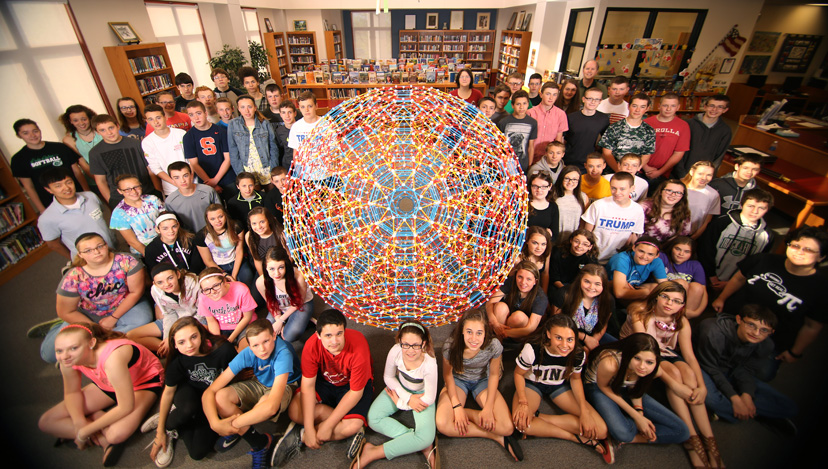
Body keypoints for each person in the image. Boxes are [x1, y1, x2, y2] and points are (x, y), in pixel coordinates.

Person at [620, 282, 725, 468]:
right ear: (656, 296)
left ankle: (710, 442)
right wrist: (675, 385)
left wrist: (701, 386)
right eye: (666, 297)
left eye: (677, 301)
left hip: (665, 354)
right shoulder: (640, 312)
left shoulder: (681, 321)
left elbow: (690, 356)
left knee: (688, 373)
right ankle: (692, 440)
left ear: (682, 305)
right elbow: (647, 353)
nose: (670, 303)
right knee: (676, 374)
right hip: (641, 355)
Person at [38, 323, 163, 467]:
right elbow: (72, 392)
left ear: (91, 343)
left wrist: (84, 432)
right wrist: (79, 423)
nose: (65, 356)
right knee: (47, 422)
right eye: (59, 351)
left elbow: (125, 407)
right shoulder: (66, 361)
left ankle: (98, 426)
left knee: (115, 435)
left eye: (73, 348)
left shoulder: (112, 358)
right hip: (108, 385)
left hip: (143, 384)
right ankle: (101, 436)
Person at [712, 226, 828, 380]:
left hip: (770, 340)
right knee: (710, 357)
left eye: (808, 250)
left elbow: (812, 326)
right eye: (795, 245)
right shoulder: (764, 259)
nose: (799, 252)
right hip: (735, 322)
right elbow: (739, 278)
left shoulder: (822, 288)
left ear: (821, 257)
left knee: (760, 376)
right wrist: (721, 298)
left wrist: (795, 352)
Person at [273, 309, 373, 467]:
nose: (334, 341)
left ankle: (301, 436)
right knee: (294, 411)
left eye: (339, 334)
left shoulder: (358, 347)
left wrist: (326, 426)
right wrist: (309, 426)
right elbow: (308, 385)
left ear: (344, 331)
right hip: (326, 380)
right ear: (318, 335)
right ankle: (342, 428)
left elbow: (355, 393)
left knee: (352, 426)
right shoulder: (311, 345)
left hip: (352, 387)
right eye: (328, 336)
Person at [512, 315, 613, 463]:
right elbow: (518, 374)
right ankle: (574, 437)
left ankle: (540, 418)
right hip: (532, 384)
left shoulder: (579, 354)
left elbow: (575, 378)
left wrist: (584, 411)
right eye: (558, 338)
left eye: (570, 340)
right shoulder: (532, 348)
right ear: (548, 334)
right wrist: (523, 402)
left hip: (558, 386)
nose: (565, 345)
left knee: (601, 430)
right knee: (521, 425)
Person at [39, 233, 153, 363]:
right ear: (80, 254)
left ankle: (97, 347)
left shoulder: (127, 261)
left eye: (100, 246)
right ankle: (59, 327)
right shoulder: (73, 277)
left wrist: (113, 318)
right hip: (90, 314)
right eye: (88, 250)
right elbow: (66, 311)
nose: (96, 252)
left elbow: (135, 292)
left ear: (106, 245)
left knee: (143, 321)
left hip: (124, 305)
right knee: (49, 355)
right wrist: (95, 329)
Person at [202, 318, 300, 468]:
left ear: (274, 335)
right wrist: (215, 424)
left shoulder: (283, 353)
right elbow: (210, 391)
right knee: (220, 397)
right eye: (255, 345)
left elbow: (272, 406)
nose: (262, 349)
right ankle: (259, 442)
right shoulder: (248, 353)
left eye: (266, 341)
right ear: (249, 345)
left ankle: (238, 429)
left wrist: (230, 424)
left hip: (285, 385)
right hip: (259, 382)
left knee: (265, 405)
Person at [144, 317, 237, 466]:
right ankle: (169, 426)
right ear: (174, 344)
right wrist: (160, 431)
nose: (189, 345)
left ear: (201, 333)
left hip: (212, 397)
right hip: (188, 392)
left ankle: (176, 419)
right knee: (188, 408)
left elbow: (236, 376)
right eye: (181, 342)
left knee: (197, 453)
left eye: (193, 337)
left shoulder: (223, 349)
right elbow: (168, 393)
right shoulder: (178, 360)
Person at [434, 309, 522, 461]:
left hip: (483, 381)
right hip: (458, 381)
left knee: (507, 427)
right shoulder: (451, 345)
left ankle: (467, 414)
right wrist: (456, 406)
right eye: (469, 332)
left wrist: (487, 409)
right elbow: (447, 375)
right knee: (442, 424)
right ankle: (495, 437)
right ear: (462, 330)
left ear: (485, 332)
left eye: (479, 333)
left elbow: (494, 375)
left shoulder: (493, 345)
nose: (474, 338)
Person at [583, 334, 690, 454]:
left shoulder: (652, 368)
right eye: (637, 358)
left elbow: (636, 390)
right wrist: (637, 416)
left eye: (649, 362)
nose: (642, 367)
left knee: (682, 431)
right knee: (623, 432)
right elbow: (604, 387)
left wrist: (640, 413)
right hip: (600, 387)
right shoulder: (610, 363)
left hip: (627, 389)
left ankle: (627, 439)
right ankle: (621, 434)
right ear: (628, 355)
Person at [697, 305, 798, 431]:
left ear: (771, 332)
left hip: (731, 372)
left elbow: (746, 370)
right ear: (739, 320)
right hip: (704, 368)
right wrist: (734, 398)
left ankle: (733, 411)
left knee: (790, 408)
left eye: (764, 330)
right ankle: (740, 412)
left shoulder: (766, 345)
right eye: (751, 325)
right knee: (710, 398)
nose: (756, 333)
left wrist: (747, 395)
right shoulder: (713, 332)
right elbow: (710, 367)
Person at [354, 321, 439, 468]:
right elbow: (388, 377)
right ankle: (419, 444)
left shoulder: (429, 362)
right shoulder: (395, 351)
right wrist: (407, 398)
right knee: (373, 418)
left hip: (421, 395)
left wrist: (403, 404)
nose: (410, 350)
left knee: (426, 437)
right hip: (399, 387)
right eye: (405, 344)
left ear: (423, 344)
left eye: (416, 345)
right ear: (400, 341)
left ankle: (374, 452)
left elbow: (429, 398)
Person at [700, 188, 774, 291]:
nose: (755, 211)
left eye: (761, 208)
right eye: (750, 206)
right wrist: (712, 276)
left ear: (767, 210)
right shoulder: (722, 223)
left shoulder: (767, 235)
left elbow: (757, 263)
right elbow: (706, 250)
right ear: (742, 204)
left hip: (736, 284)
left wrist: (731, 283)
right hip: (707, 277)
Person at [11, 118, 88, 212]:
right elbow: (29, 187)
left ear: (39, 130)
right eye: (25, 133)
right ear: (19, 135)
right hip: (51, 203)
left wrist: (87, 193)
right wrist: (41, 209)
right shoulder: (18, 159)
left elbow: (77, 172)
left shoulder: (60, 147)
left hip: (77, 195)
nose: (32, 135)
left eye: (35, 131)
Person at [37, 167, 114, 260]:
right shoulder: (47, 218)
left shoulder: (90, 196)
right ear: (48, 189)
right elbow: (53, 244)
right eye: (58, 186)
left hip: (111, 249)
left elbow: (101, 215)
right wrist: (77, 260)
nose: (66, 188)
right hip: (88, 262)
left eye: (69, 182)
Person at [126, 263, 200, 356]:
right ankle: (172, 349)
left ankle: (179, 349)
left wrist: (180, 331)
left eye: (170, 278)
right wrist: (167, 337)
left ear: (177, 274)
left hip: (196, 320)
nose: (167, 284)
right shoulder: (155, 290)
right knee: (131, 335)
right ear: (155, 283)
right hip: (175, 319)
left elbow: (202, 312)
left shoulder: (194, 284)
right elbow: (169, 314)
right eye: (160, 282)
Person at [89, 114, 158, 209]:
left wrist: (157, 190)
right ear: (97, 132)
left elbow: (149, 169)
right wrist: (111, 200)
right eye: (103, 130)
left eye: (111, 127)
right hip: (120, 199)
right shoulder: (95, 152)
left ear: (117, 126)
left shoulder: (136, 144)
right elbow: (101, 181)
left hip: (146, 192)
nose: (109, 132)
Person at [582, 172, 645, 263]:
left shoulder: (638, 210)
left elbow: (634, 236)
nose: (617, 192)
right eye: (613, 188)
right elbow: (587, 233)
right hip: (593, 256)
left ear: (632, 188)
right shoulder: (598, 205)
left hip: (617, 258)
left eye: (622, 189)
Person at [256, 246, 314, 343]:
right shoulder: (260, 282)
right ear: (266, 268)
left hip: (300, 304)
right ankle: (292, 320)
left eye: (281, 267)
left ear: (286, 265)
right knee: (266, 332)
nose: (276, 273)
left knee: (289, 336)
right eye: (271, 269)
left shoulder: (298, 276)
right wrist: (278, 319)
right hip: (279, 306)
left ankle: (307, 321)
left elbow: (299, 301)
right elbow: (271, 303)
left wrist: (281, 320)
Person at [554, 264, 615, 350]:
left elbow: (603, 326)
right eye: (587, 282)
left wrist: (590, 345)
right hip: (566, 335)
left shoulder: (608, 300)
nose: (591, 287)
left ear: (603, 286)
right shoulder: (564, 294)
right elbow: (555, 325)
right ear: (580, 280)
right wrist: (585, 338)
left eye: (597, 284)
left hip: (594, 336)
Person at [184, 100, 236, 200]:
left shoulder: (221, 132)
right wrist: (210, 182)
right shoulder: (188, 137)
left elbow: (228, 159)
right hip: (205, 180)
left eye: (198, 113)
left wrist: (216, 180)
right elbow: (194, 164)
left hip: (227, 177)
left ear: (205, 113)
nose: (196, 118)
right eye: (191, 115)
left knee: (233, 206)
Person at [485, 260, 547, 341]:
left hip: (520, 330)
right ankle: (498, 342)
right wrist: (494, 322)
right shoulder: (511, 282)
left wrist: (503, 332)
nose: (523, 282)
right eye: (520, 277)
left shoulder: (541, 297)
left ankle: (501, 338)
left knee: (518, 317)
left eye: (529, 279)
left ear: (535, 281)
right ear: (515, 276)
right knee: (500, 307)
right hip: (502, 322)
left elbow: (530, 328)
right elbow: (490, 301)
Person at [673, 95, 732, 178]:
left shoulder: (725, 130)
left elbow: (719, 157)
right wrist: (681, 173)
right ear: (705, 107)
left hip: (703, 176)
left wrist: (708, 175)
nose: (714, 110)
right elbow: (678, 150)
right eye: (711, 106)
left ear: (725, 110)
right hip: (681, 172)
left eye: (720, 107)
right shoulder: (687, 124)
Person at [196, 204, 254, 287]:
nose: (217, 221)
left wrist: (233, 275)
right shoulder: (201, 236)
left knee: (247, 277)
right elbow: (208, 261)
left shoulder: (236, 226)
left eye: (220, 216)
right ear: (208, 220)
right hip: (217, 265)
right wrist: (225, 275)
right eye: (212, 219)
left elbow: (239, 251)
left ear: (225, 215)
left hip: (236, 261)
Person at [197, 267, 256, 349]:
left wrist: (230, 339)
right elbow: (211, 321)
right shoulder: (203, 298)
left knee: (244, 350)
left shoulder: (241, 289)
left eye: (216, 285)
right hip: (221, 327)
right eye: (207, 289)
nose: (213, 291)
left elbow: (247, 317)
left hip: (244, 325)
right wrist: (218, 341)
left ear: (224, 281)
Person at [229, 95, 280, 187]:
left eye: (250, 107)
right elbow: (233, 151)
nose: (247, 111)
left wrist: (273, 169)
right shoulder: (233, 124)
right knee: (255, 197)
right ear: (238, 109)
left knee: (270, 194)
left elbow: (273, 147)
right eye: (243, 107)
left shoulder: (264, 123)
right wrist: (240, 173)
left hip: (266, 167)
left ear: (255, 107)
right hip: (247, 169)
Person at [109, 174, 164, 256]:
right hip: (144, 250)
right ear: (120, 191)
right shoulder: (119, 213)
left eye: (136, 187)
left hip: (165, 241)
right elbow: (132, 241)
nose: (134, 192)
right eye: (127, 189)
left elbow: (165, 220)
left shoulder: (153, 199)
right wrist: (150, 256)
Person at [642, 93, 690, 186]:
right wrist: (645, 167)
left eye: (673, 106)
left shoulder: (683, 126)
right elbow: (637, 147)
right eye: (665, 105)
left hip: (664, 174)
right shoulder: (646, 123)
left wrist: (660, 172)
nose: (668, 109)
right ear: (659, 106)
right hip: (641, 170)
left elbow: (679, 153)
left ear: (678, 107)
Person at [599, 93, 655, 173]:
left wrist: (634, 170)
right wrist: (618, 170)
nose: (637, 110)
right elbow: (606, 153)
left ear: (647, 109)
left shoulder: (649, 131)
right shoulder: (614, 127)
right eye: (634, 106)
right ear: (629, 106)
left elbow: (647, 155)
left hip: (634, 174)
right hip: (613, 172)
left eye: (642, 107)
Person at [142, 103, 189, 196]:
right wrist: (175, 182)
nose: (156, 122)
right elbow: (155, 167)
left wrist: (189, 178)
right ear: (147, 121)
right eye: (151, 119)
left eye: (158, 117)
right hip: (171, 188)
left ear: (165, 117)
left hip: (190, 181)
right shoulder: (147, 142)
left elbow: (191, 159)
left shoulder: (181, 134)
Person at [164, 161, 221, 233]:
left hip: (213, 233)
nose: (182, 180)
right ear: (172, 179)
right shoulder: (170, 201)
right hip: (190, 238)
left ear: (191, 175)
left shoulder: (208, 191)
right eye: (177, 177)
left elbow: (221, 214)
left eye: (185, 175)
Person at [659, 236, 708, 319]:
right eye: (678, 249)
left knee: (697, 287)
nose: (681, 254)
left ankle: (682, 318)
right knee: (681, 283)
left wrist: (697, 312)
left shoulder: (695, 265)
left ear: (692, 253)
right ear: (671, 248)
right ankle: (666, 318)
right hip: (662, 296)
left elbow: (703, 292)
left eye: (687, 251)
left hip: (682, 304)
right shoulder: (662, 257)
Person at [607, 236, 667, 302]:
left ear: (656, 256)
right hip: (611, 291)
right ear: (634, 248)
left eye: (650, 254)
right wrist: (645, 293)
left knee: (656, 287)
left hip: (633, 288)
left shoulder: (657, 261)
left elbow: (666, 286)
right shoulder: (622, 259)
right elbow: (619, 293)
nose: (644, 256)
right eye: (641, 251)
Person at [548, 229, 599, 306]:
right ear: (571, 240)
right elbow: (554, 278)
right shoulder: (557, 252)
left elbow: (590, 280)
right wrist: (566, 291)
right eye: (577, 241)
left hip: (579, 288)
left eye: (585, 244)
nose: (579, 246)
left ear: (590, 247)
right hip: (558, 285)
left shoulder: (591, 259)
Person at [564, 88, 610, 169]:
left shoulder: (603, 119)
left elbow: (606, 143)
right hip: (569, 160)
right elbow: (562, 139)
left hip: (590, 163)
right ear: (583, 99)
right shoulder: (571, 117)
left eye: (596, 99)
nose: (593, 102)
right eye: (590, 99)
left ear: (600, 101)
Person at [497, 90, 537, 173]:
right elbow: (499, 145)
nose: (521, 107)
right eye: (518, 104)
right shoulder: (503, 122)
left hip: (523, 164)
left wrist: (529, 164)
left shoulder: (532, 122)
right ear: (512, 105)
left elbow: (531, 146)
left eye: (524, 103)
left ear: (528, 104)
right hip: (506, 163)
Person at [527, 82, 568, 161]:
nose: (551, 98)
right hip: (531, 155)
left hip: (549, 158)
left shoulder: (561, 114)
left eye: (554, 94)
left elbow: (558, 140)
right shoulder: (530, 113)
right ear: (541, 94)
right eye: (548, 94)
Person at [681, 161, 721, 240]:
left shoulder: (713, 194)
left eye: (709, 175)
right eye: (700, 173)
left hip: (689, 235)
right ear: (692, 172)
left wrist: (694, 237)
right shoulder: (679, 187)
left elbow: (707, 221)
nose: (704, 178)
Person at [59, 104, 99, 178]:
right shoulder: (68, 140)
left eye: (84, 119)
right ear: (70, 121)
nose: (81, 123)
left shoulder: (101, 131)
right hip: (93, 178)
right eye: (75, 120)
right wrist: (99, 181)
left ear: (90, 118)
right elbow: (82, 163)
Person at [551, 165, 589, 237]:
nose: (570, 182)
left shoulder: (583, 197)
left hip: (573, 240)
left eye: (574, 179)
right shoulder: (553, 195)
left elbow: (583, 222)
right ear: (561, 178)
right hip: (555, 238)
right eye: (567, 178)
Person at [245, 207, 284, 276]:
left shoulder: (280, 234)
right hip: (265, 271)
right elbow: (257, 259)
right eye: (254, 223)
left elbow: (289, 257)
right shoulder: (249, 236)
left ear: (268, 220)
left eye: (262, 222)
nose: (259, 227)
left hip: (281, 269)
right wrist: (264, 278)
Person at [517, 226, 552, 293]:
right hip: (520, 291)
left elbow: (545, 274)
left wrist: (544, 294)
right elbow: (511, 282)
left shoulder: (546, 254)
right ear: (527, 241)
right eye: (535, 243)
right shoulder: (518, 258)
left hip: (536, 290)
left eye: (543, 244)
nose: (539, 248)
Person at [526, 171, 559, 238]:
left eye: (543, 187)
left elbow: (554, 235)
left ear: (549, 187)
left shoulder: (553, 206)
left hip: (545, 246)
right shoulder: (524, 204)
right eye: (535, 186)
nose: (539, 190)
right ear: (530, 186)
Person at [275, 100, 297, 169]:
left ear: (295, 113)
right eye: (283, 113)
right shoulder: (279, 131)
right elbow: (280, 149)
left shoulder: (301, 128)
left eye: (289, 112)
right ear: (280, 114)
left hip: (301, 164)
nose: (287, 116)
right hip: (287, 165)